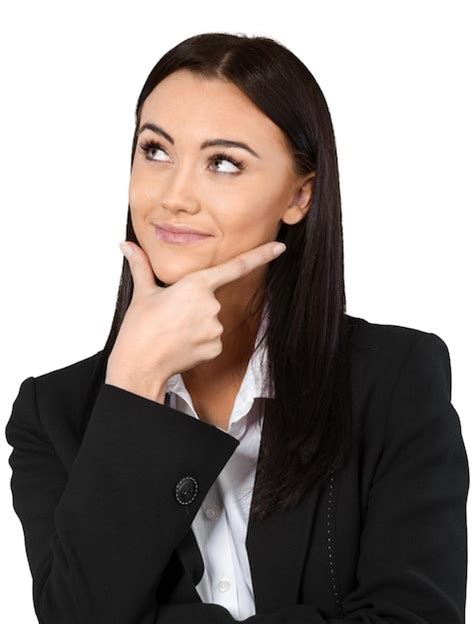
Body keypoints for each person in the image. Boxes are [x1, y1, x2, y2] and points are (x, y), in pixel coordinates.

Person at [5, 32, 469, 624]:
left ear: (300, 195)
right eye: (155, 151)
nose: (175, 195)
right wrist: (133, 385)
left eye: (223, 163)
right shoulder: (53, 415)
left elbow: (416, 615)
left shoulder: (395, 381)